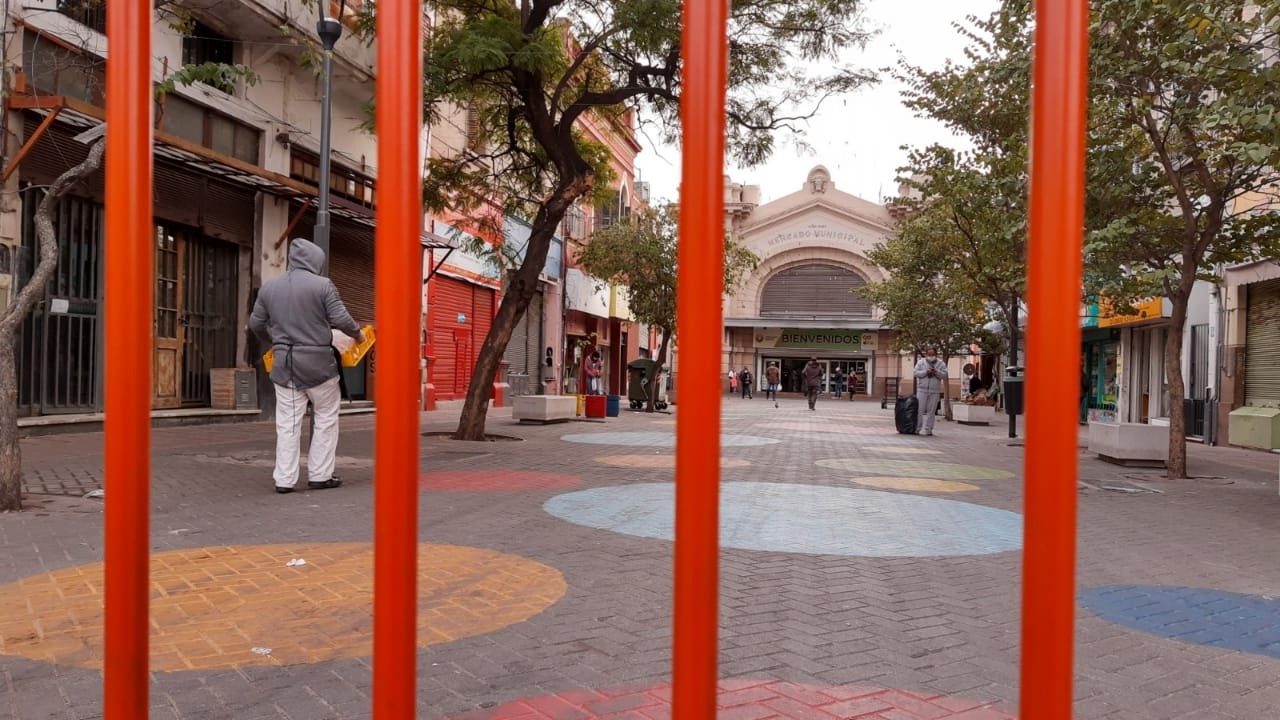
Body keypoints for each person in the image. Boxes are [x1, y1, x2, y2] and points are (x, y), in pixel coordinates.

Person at [250, 238, 365, 494]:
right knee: (325, 418)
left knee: (288, 424)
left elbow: (256, 324)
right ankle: (320, 475)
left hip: (285, 366)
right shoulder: (323, 286)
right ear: (316, 261)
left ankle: (284, 479)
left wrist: (276, 341)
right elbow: (341, 319)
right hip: (319, 367)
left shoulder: (269, 288)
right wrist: (358, 335)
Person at [913, 348, 948, 436]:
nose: (931, 357)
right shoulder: (921, 362)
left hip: (934, 390)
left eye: (932, 355)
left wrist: (936, 372)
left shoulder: (941, 363)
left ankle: (929, 429)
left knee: (931, 411)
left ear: (936, 354)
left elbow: (944, 375)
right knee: (919, 410)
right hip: (922, 389)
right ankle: (917, 428)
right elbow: (916, 373)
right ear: (926, 354)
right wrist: (926, 372)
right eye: (929, 355)